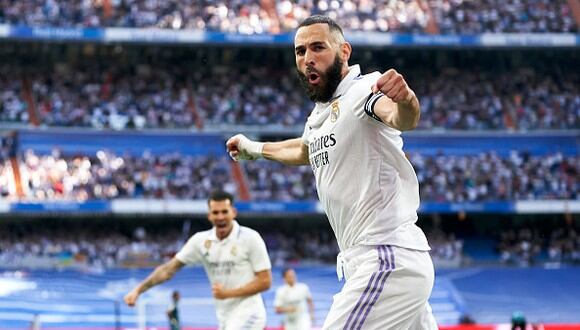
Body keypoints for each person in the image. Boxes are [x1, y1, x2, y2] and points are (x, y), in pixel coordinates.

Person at [226, 15, 437, 330]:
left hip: (386, 256)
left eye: (318, 47)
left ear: (344, 51)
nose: (308, 59)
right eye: (300, 52)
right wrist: (255, 149)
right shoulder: (320, 115)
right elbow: (305, 149)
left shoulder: (364, 90)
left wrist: (405, 99)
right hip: (375, 263)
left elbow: (400, 117)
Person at [124, 191, 272, 330]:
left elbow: (265, 281)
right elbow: (168, 269)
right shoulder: (200, 241)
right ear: (209, 216)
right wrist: (138, 290)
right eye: (215, 212)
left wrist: (228, 293)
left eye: (224, 212)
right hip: (225, 316)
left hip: (250, 313)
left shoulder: (250, 238)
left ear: (233, 212)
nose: (220, 217)